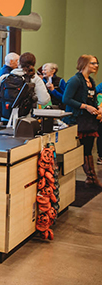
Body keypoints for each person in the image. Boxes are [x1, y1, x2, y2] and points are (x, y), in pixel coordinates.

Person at [62, 55, 101, 186]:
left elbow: (92, 99)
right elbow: (66, 99)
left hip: (88, 121)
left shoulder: (90, 81)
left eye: (97, 63)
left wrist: (97, 108)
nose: (96, 66)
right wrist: (85, 106)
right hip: (75, 120)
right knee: (72, 151)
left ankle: (91, 177)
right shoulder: (75, 80)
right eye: (93, 63)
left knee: (88, 149)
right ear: (84, 64)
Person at [0, 52, 50, 121]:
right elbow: (44, 100)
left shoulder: (5, 77)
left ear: (18, 63)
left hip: (5, 119)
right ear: (34, 64)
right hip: (24, 120)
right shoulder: (34, 79)